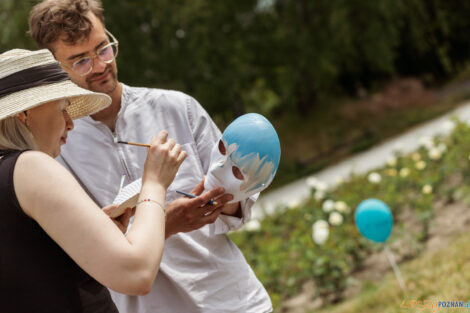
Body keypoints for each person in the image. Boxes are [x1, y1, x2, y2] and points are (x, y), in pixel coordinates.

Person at [29, 0, 273, 312]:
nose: (101, 66)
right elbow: (82, 258)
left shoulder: (178, 108)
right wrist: (164, 222)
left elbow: (237, 211)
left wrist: (224, 198)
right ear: (55, 70)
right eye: (80, 62)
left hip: (232, 302)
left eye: (103, 49)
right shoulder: (54, 150)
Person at [0, 48, 190, 312]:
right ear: (25, 114)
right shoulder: (29, 166)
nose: (70, 123)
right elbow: (137, 272)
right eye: (62, 109)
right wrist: (154, 183)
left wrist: (93, 234)